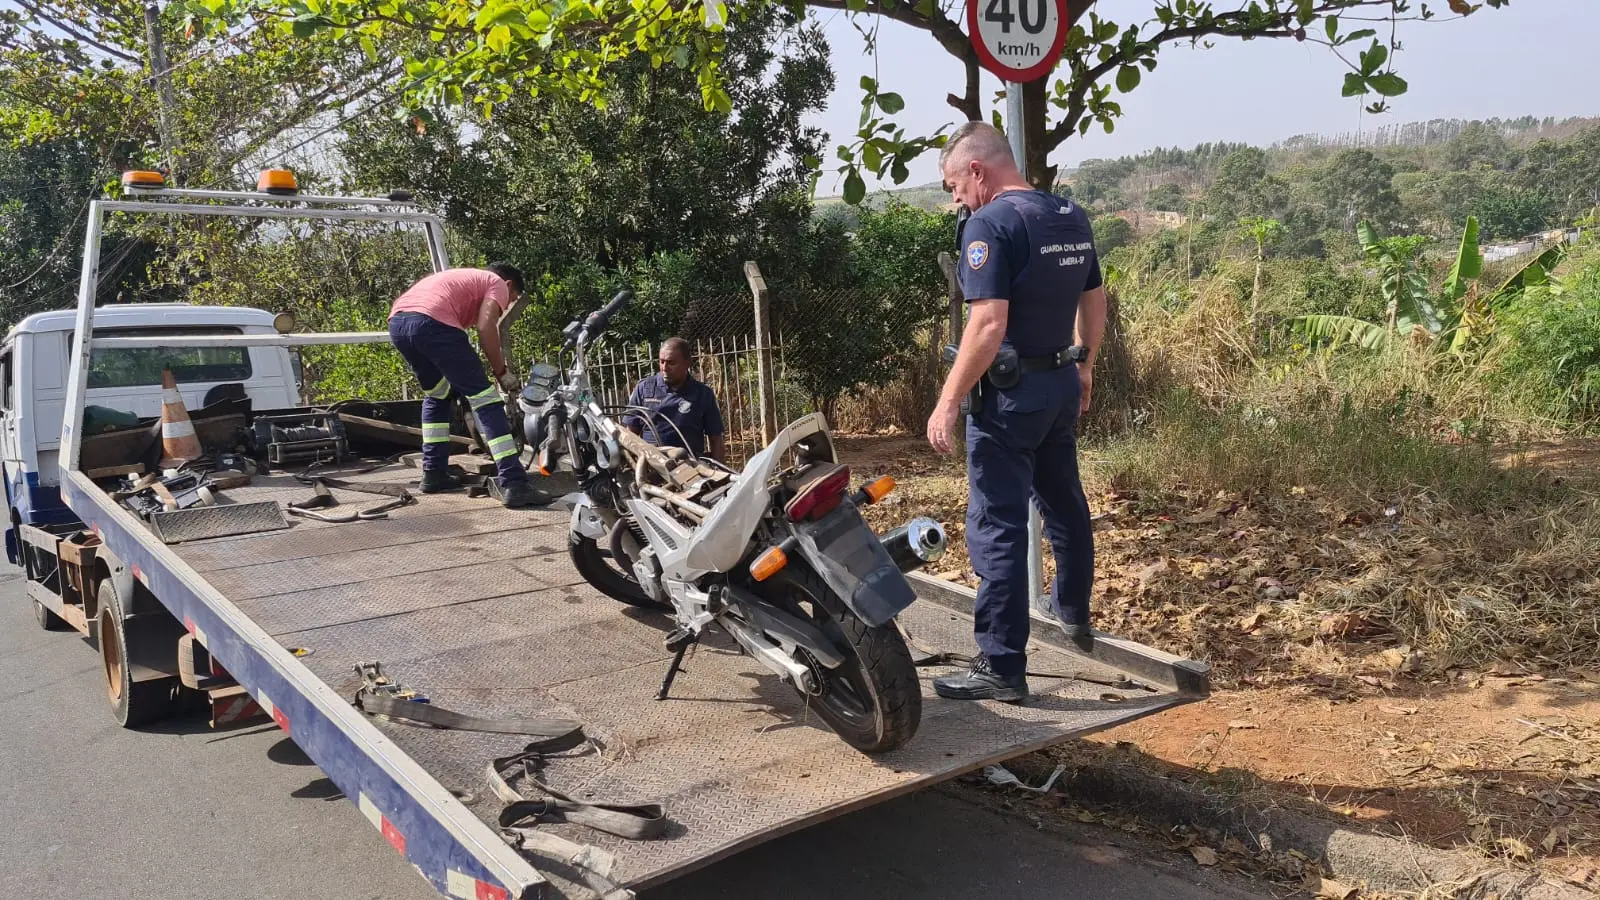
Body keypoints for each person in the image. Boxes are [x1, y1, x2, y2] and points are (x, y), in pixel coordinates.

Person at [925, 122, 1107, 702]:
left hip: (1008, 398)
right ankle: (1073, 612)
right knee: (1063, 500)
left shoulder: (991, 224)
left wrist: (949, 399)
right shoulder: (1068, 214)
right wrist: (1085, 364)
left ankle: (1001, 664)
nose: (956, 198)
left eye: (954, 184)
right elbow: (1094, 297)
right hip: (1057, 383)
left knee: (996, 526)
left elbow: (987, 323)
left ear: (978, 169)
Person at [387, 263, 542, 509]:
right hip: (431, 322)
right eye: (511, 301)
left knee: (438, 395)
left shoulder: (461, 279)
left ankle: (433, 473)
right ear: (510, 285)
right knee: (486, 400)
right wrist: (501, 372)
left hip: (398, 323)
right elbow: (485, 327)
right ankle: (514, 483)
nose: (506, 305)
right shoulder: (497, 283)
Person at [623, 337, 727, 464]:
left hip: (690, 467)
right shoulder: (644, 388)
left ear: (687, 363)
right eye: (661, 362)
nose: (664, 368)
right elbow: (630, 434)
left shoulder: (702, 394)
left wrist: (719, 472)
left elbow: (716, 438)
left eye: (671, 363)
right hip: (651, 466)